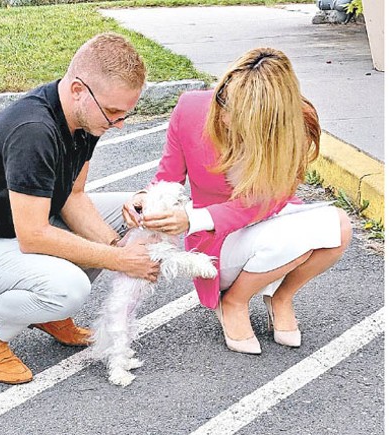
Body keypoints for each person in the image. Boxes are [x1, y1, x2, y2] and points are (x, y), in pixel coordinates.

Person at [0, 32, 160, 384]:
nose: (119, 124)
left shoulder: (87, 119)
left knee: (137, 215)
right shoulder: (34, 131)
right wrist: (119, 260)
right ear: (78, 90)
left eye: (125, 113)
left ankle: (44, 311)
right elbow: (34, 235)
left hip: (15, 231)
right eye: (114, 113)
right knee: (69, 289)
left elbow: (73, 196)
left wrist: (118, 247)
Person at [123, 47, 352, 355]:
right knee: (293, 238)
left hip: (267, 225)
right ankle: (234, 301)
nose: (226, 115)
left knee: (339, 227)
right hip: (217, 243)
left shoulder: (292, 126)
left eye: (240, 111)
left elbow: (269, 200)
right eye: (223, 99)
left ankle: (281, 297)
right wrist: (144, 199)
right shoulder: (191, 108)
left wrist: (192, 218)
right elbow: (167, 178)